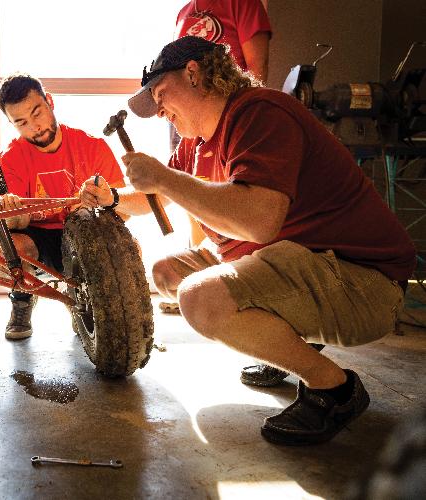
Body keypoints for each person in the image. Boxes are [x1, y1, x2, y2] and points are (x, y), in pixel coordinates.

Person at [80, 36, 415, 445]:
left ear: (194, 74)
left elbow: (259, 222)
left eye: (161, 95)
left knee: (200, 299)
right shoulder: (197, 143)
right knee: (167, 274)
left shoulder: (260, 113)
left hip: (363, 282)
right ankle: (290, 343)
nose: (160, 112)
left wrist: (164, 178)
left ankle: (334, 389)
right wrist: (113, 198)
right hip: (299, 261)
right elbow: (162, 195)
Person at [0, 72, 126, 340]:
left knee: (128, 247)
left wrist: (98, 202)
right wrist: (12, 213)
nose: (34, 127)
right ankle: (22, 301)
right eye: (21, 122)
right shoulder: (11, 159)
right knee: (6, 249)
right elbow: (16, 226)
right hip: (39, 238)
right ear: (12, 124)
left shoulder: (92, 147)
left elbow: (122, 210)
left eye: (37, 113)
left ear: (50, 102)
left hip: (82, 232)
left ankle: (83, 300)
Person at [162, 0, 272, 317]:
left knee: (233, 193)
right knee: (191, 185)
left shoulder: (242, 3)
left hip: (224, 108)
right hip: (191, 109)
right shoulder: (184, 12)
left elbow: (256, 69)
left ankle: (244, 276)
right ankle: (203, 271)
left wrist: (242, 113)